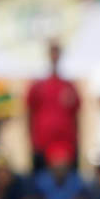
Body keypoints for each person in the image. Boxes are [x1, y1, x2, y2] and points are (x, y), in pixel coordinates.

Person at [26, 42, 80, 172]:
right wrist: (32, 142)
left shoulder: (69, 86)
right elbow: (29, 114)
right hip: (42, 145)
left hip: (66, 147)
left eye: (57, 52)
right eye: (52, 52)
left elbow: (76, 117)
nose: (54, 56)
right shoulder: (38, 86)